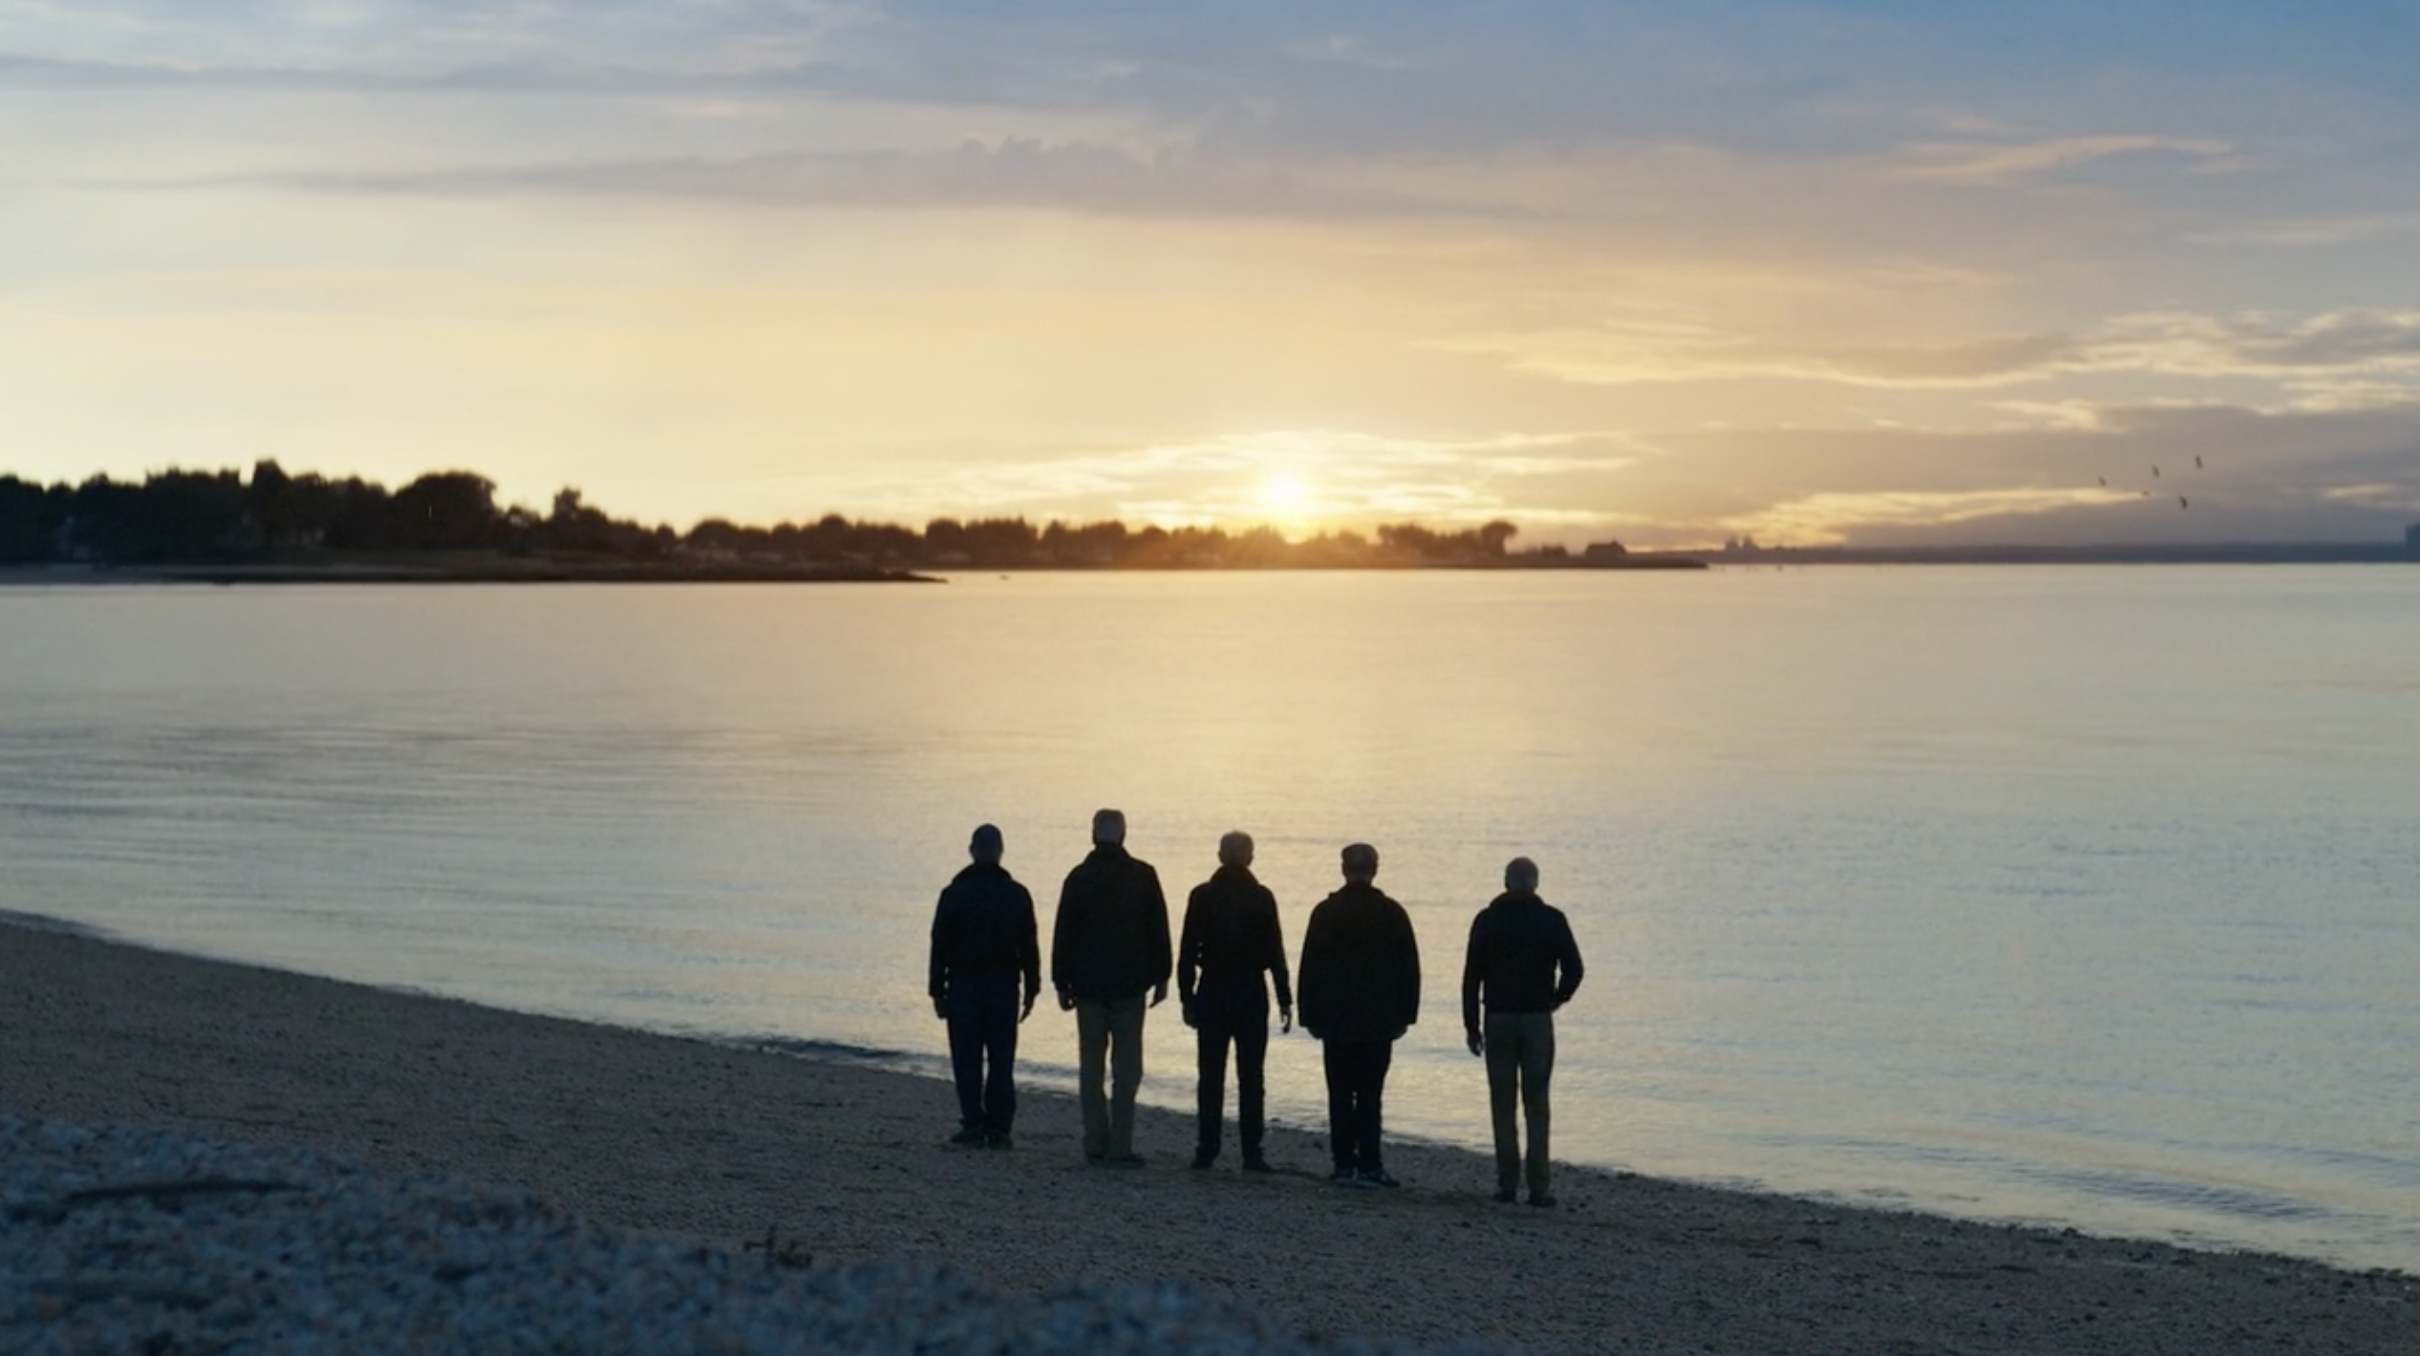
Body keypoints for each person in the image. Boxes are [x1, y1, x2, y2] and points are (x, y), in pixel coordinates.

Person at [1050, 808, 1171, 1166]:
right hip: (1129, 986)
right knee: (1127, 1069)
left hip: (1088, 985)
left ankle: (1094, 1141)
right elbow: (1158, 929)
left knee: (1091, 1068)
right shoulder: (1143, 876)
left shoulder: (1079, 877)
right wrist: (1162, 975)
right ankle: (1120, 1146)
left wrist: (1061, 980)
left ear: (1093, 835)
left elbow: (1064, 932)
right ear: (1124, 835)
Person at [1461, 855, 1584, 1207]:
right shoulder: (1551, 919)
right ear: (1536, 883)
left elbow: (1472, 976)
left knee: (1502, 1103)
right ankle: (1540, 1186)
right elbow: (1575, 968)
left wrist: (1471, 1024)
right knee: (1537, 1103)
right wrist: (1557, 998)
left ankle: (1506, 1184)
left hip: (1497, 1017)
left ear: (1506, 882)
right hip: (1536, 1018)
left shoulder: (1488, 920)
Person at [1296, 842, 1420, 1188]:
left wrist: (1309, 1014)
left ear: (1343, 869)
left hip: (1336, 1021)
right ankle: (1370, 1163)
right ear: (1375, 869)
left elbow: (1311, 967)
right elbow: (1408, 968)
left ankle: (1342, 1164)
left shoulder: (1326, 912)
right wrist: (1406, 1014)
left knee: (1339, 1093)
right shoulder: (1392, 912)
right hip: (1377, 1023)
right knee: (1369, 1095)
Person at [1177, 830, 1293, 1173]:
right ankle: (1251, 1152)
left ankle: (1207, 1148)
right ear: (1251, 858)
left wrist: (1187, 995)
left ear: (1219, 856)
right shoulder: (1261, 897)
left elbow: (1186, 951)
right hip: (1250, 992)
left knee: (1210, 1074)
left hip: (1212, 989)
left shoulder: (1202, 895)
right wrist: (1285, 997)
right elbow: (1275, 952)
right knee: (1251, 1076)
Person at [927, 822, 1042, 1149]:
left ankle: (974, 1121)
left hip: (965, 985)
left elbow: (939, 944)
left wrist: (937, 989)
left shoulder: (954, 893)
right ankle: (999, 1126)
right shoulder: (1016, 894)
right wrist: (1032, 987)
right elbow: (1029, 945)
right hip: (1002, 986)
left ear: (972, 850)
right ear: (999, 851)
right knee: (1001, 1058)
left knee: (967, 1058)